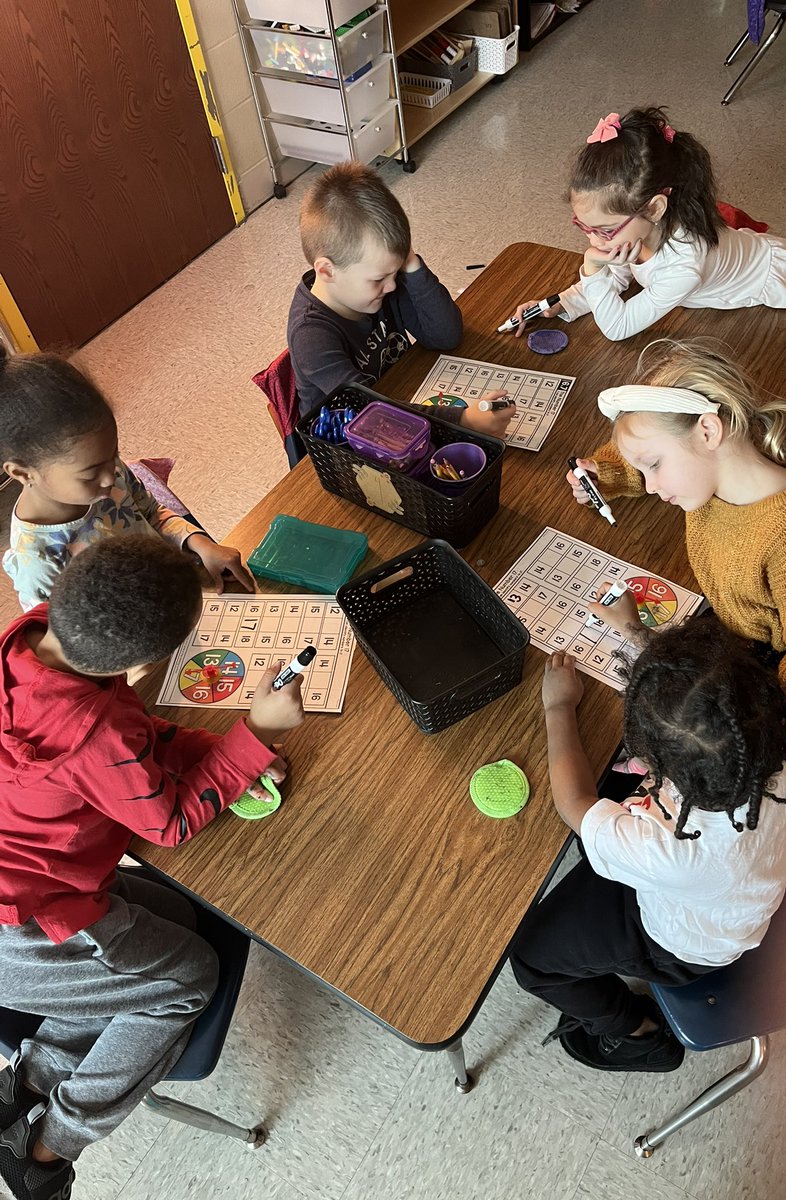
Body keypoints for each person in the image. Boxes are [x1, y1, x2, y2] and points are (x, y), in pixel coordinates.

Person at [0, 536, 305, 1200]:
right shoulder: (92, 735)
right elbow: (167, 824)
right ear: (142, 660)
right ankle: (45, 1152)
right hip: (27, 925)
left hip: (36, 889)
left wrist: (223, 751)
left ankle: (23, 1083)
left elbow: (132, 737)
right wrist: (253, 734)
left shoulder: (27, 638)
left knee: (181, 919)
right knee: (188, 978)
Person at [509, 615, 786, 1073]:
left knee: (532, 960)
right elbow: (705, 699)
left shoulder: (670, 846)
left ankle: (633, 1033)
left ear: (658, 767)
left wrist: (558, 710)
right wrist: (638, 634)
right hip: (719, 896)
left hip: (678, 947)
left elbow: (574, 802)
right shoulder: (768, 754)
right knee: (604, 798)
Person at [567, 339, 786, 747]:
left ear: (708, 431)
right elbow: (642, 444)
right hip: (741, 631)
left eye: (655, 466)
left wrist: (750, 746)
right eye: (644, 469)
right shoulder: (713, 474)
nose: (650, 484)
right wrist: (603, 474)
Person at [502, 106, 786, 342]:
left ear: (654, 208)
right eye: (584, 226)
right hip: (725, 285)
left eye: (604, 230)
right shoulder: (641, 228)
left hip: (782, 290)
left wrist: (589, 265)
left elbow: (618, 328)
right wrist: (564, 302)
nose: (594, 242)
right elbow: (613, 276)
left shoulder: (683, 263)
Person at [0, 345, 254, 611]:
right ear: (23, 473)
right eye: (90, 474)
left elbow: (152, 514)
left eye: (114, 454)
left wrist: (200, 544)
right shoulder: (37, 560)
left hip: (176, 596)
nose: (110, 477)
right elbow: (59, 639)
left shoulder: (110, 472)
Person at [287, 161, 514, 436]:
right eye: (379, 278)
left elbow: (445, 336)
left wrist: (412, 265)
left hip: (399, 394)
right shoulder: (311, 337)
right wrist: (463, 421)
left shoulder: (379, 285)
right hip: (346, 442)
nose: (392, 286)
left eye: (396, 272)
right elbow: (374, 414)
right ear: (326, 271)